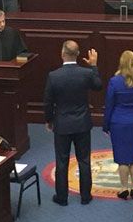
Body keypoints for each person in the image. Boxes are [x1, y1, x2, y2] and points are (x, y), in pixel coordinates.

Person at [44, 40, 102, 205]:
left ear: (62, 54)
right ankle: (85, 196)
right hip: (82, 123)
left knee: (62, 161)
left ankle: (62, 198)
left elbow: (48, 102)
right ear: (78, 55)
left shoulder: (53, 76)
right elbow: (98, 85)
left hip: (62, 124)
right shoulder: (86, 73)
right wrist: (94, 66)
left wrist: (49, 120)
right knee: (84, 160)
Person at [103, 50, 133, 200]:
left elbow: (109, 104)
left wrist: (106, 125)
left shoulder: (114, 81)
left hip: (118, 122)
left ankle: (124, 188)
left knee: (122, 157)